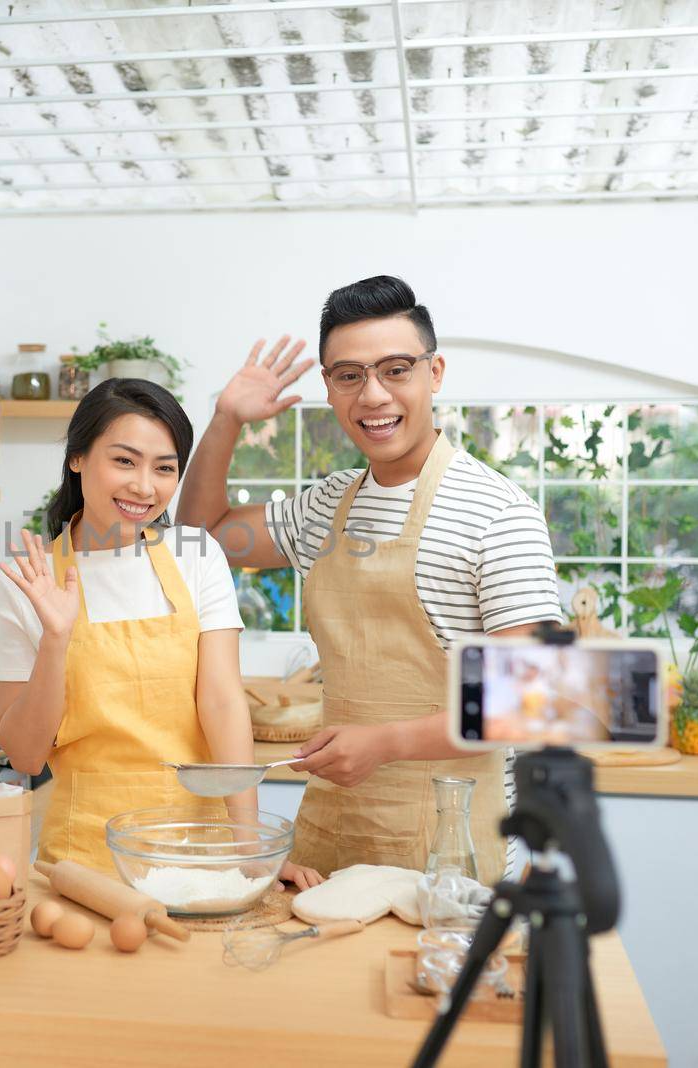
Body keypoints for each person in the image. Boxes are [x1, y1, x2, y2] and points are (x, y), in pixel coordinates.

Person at [177, 276, 564, 882]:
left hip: (452, 846)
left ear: (434, 374)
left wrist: (384, 744)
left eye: (396, 369)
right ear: (329, 387)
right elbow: (201, 537)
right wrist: (226, 419)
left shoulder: (498, 513)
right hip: (334, 830)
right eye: (350, 375)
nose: (374, 395)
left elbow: (527, 706)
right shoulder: (325, 507)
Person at [0, 377, 322, 888]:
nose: (145, 487)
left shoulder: (197, 555)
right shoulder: (27, 580)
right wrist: (56, 639)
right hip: (86, 866)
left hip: (201, 855)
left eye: (164, 469)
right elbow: (25, 755)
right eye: (124, 461)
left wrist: (250, 844)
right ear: (77, 458)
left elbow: (222, 703)